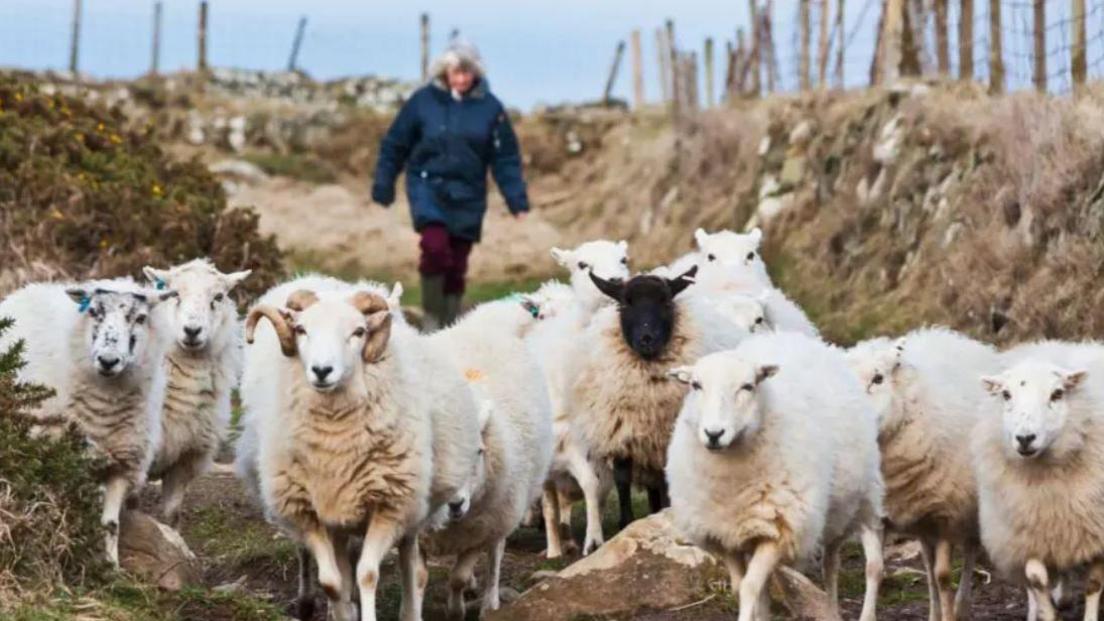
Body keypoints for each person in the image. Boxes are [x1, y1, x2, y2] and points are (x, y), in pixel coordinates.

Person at [372, 41, 529, 329]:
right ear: (445, 70)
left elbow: (505, 157)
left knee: (457, 263)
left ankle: (450, 320)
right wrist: (384, 182)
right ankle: (432, 315)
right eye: (456, 71)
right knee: (434, 247)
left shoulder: (491, 108)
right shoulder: (423, 101)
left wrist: (516, 200)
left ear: (476, 73)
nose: (461, 78)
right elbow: (395, 143)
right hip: (427, 187)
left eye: (467, 72)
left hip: (469, 194)